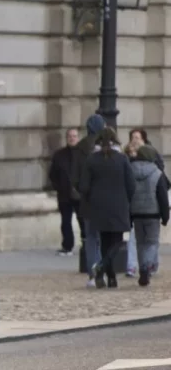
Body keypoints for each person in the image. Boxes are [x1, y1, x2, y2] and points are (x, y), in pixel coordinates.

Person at [80, 127, 134, 289]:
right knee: (117, 241)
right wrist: (126, 200)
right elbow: (131, 185)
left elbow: (84, 186)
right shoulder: (122, 159)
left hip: (98, 206)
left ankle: (110, 277)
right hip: (118, 205)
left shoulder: (91, 159)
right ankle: (103, 267)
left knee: (104, 242)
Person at [73, 113, 108, 286]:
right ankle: (102, 271)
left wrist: (83, 192)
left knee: (90, 238)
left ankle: (93, 273)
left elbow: (75, 178)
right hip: (103, 201)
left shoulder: (79, 149)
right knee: (103, 238)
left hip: (87, 201)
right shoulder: (105, 148)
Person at [128, 144, 169, 287]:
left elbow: (128, 193)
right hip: (153, 213)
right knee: (152, 242)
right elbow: (162, 196)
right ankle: (146, 267)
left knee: (140, 243)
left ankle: (142, 269)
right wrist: (165, 216)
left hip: (136, 212)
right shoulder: (157, 173)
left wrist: (128, 215)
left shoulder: (130, 170)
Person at [49, 127, 82, 255]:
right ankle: (67, 246)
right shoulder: (59, 155)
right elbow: (53, 174)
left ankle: (85, 244)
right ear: (66, 138)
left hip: (80, 194)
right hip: (64, 194)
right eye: (70, 136)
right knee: (65, 222)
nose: (72, 138)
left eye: (74, 136)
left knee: (82, 221)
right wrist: (59, 187)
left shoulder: (83, 154)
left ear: (78, 138)